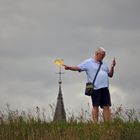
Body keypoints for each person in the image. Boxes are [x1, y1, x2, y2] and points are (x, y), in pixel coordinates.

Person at [63, 47, 116, 123]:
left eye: (104, 55)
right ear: (97, 54)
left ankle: (108, 124)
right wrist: (69, 67)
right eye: (102, 55)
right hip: (95, 88)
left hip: (105, 88)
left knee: (106, 106)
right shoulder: (88, 62)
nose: (103, 56)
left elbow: (110, 75)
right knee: (95, 106)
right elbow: (78, 67)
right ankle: (95, 124)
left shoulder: (104, 64)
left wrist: (112, 67)